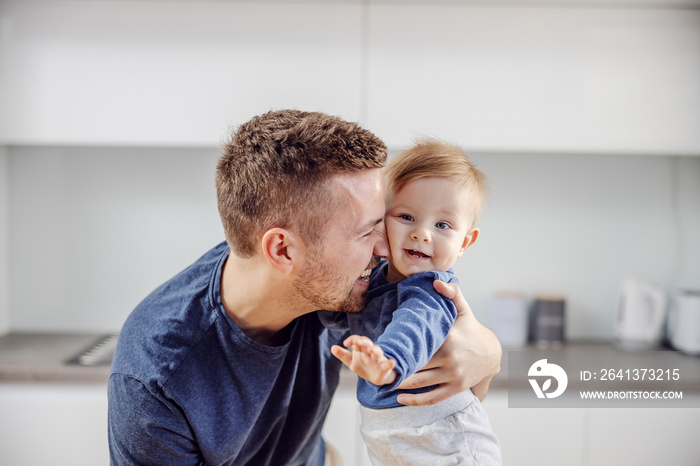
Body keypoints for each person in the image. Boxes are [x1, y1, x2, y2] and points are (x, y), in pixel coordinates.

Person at [108, 110, 502, 466]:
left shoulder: (331, 281)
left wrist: (489, 352)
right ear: (281, 250)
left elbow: (452, 369)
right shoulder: (156, 378)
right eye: (366, 232)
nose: (386, 248)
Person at [329, 140, 502, 465]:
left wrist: (389, 361)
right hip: (394, 434)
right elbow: (347, 317)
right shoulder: (376, 279)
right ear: (382, 221)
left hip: (444, 439)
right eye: (406, 216)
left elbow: (415, 324)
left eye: (442, 225)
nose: (422, 234)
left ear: (465, 242)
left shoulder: (432, 288)